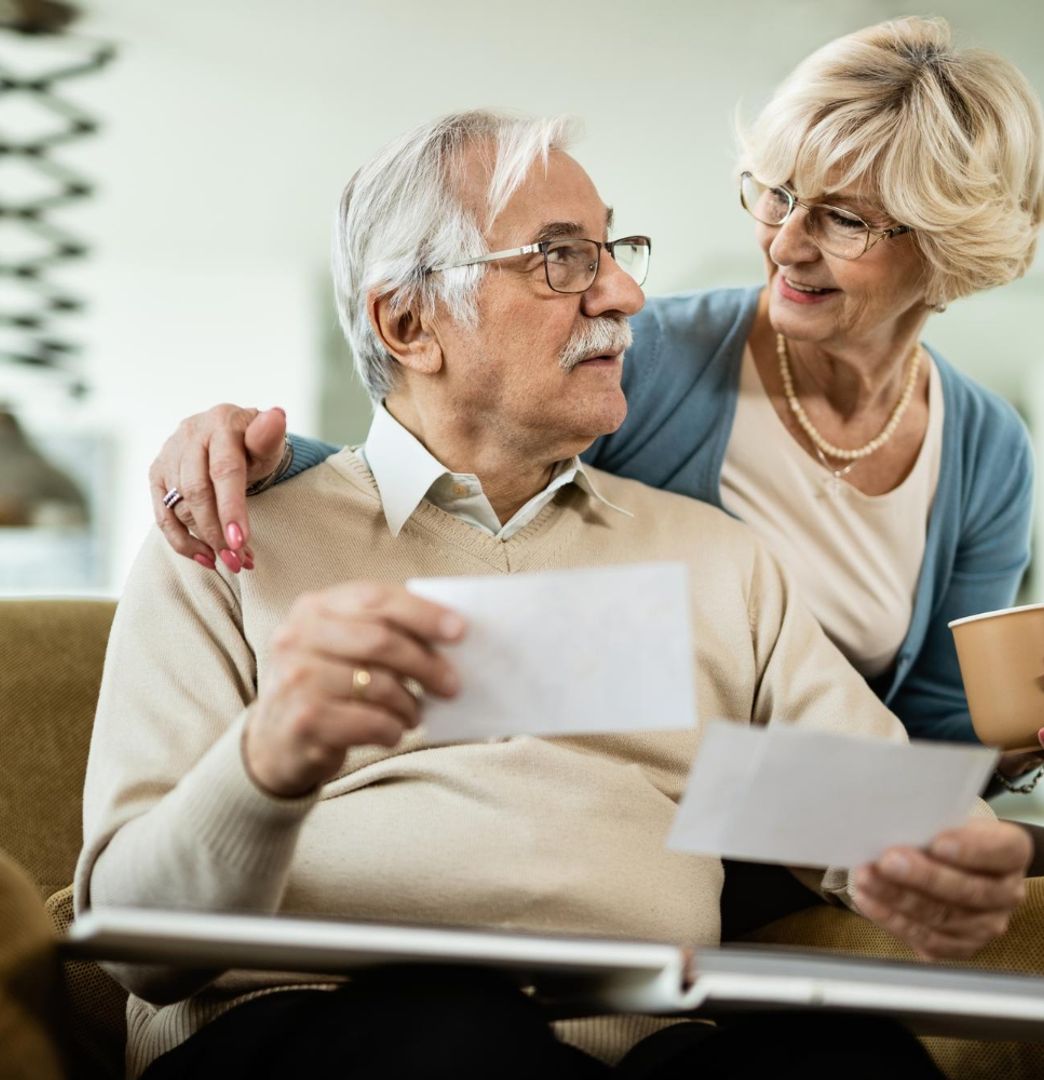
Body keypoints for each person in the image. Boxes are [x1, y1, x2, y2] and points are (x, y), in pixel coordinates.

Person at [78, 108, 1027, 1080]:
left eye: (616, 251)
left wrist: (946, 856)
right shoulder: (224, 547)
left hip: (642, 1045)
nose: (624, 292)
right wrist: (265, 763)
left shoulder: (719, 561)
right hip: (316, 1027)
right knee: (458, 1037)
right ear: (409, 322)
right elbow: (136, 948)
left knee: (849, 1063)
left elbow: (872, 814)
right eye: (561, 259)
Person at [148, 18, 1044, 793]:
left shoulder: (990, 451)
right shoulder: (646, 351)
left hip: (801, 816)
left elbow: (934, 726)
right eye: (776, 193)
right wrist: (263, 460)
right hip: (632, 785)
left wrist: (1017, 752)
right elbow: (461, 479)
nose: (785, 243)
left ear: (945, 248)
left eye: (844, 219)